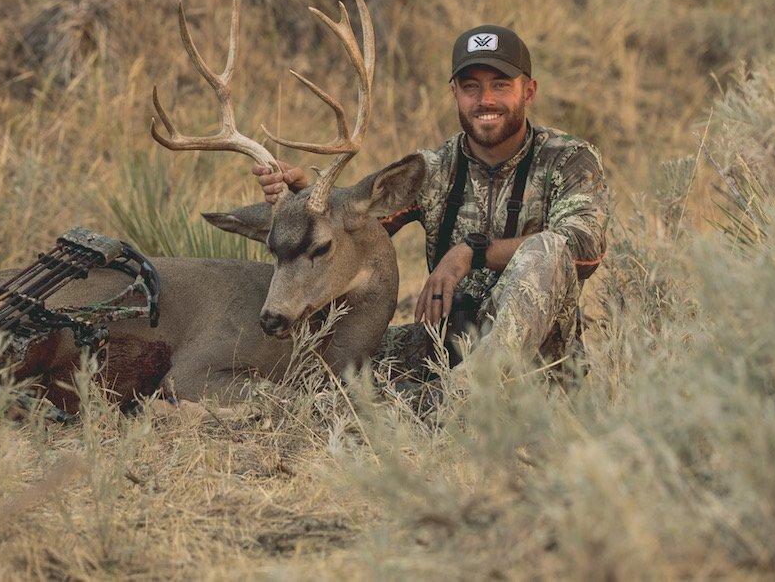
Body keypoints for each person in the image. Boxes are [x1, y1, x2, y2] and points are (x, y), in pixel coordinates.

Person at [253, 24, 609, 378]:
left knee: (548, 250)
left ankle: (474, 392)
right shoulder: (433, 168)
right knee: (339, 369)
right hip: (443, 345)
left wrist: (471, 254)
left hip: (541, 361)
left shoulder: (568, 159)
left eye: (500, 85)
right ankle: (446, 394)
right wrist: (308, 199)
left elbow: (583, 247)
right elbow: (353, 225)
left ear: (528, 91)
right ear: (454, 92)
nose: (485, 100)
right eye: (471, 87)